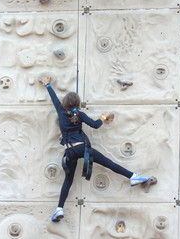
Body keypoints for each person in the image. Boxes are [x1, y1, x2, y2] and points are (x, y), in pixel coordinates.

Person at [39, 77, 150, 222]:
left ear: (64, 103)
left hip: (69, 152)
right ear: (78, 104)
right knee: (108, 163)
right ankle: (133, 177)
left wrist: (47, 84)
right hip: (82, 148)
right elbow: (96, 125)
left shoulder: (61, 112)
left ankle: (59, 209)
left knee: (68, 180)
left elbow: (54, 98)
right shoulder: (79, 115)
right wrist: (105, 116)